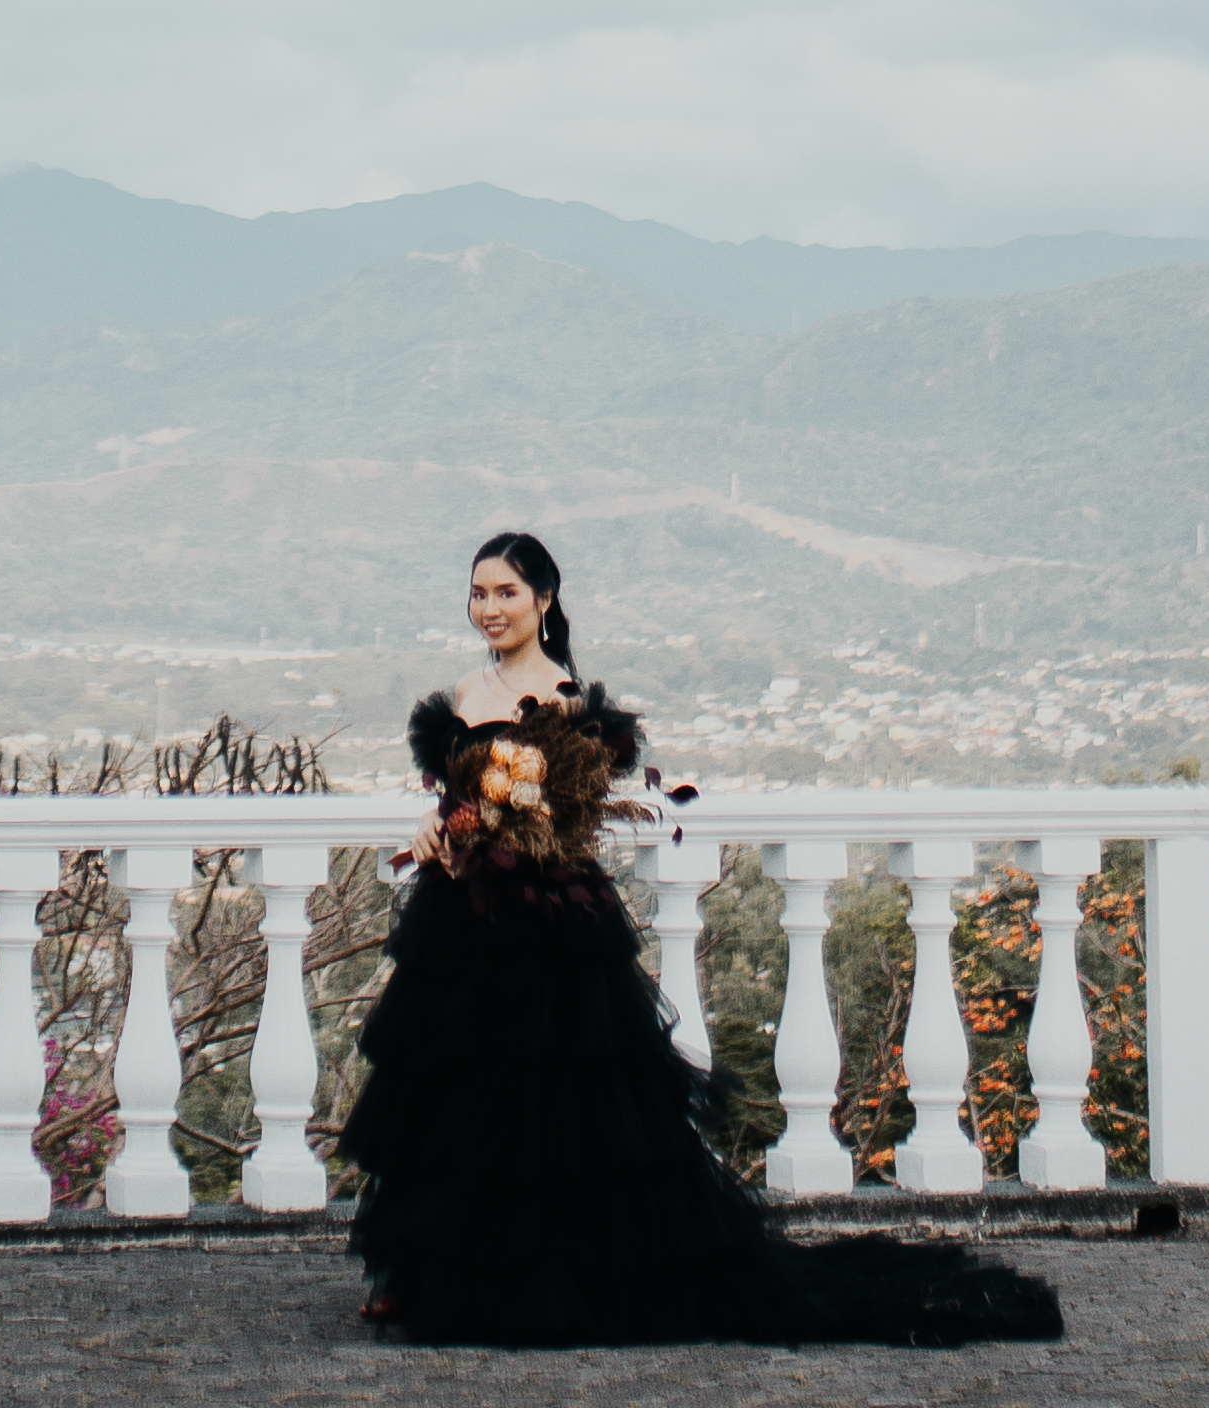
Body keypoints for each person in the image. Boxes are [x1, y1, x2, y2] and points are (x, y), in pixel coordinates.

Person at [335, 529, 1067, 1351]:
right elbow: (453, 801)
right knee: (452, 1099)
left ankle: (544, 1278)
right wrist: (439, 830)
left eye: (506, 592)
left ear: (544, 599)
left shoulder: (568, 700)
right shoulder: (465, 694)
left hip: (546, 925)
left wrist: (516, 830)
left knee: (551, 1104)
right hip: (461, 920)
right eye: (479, 593)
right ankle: (430, 1275)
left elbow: (568, 817)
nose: (490, 608)